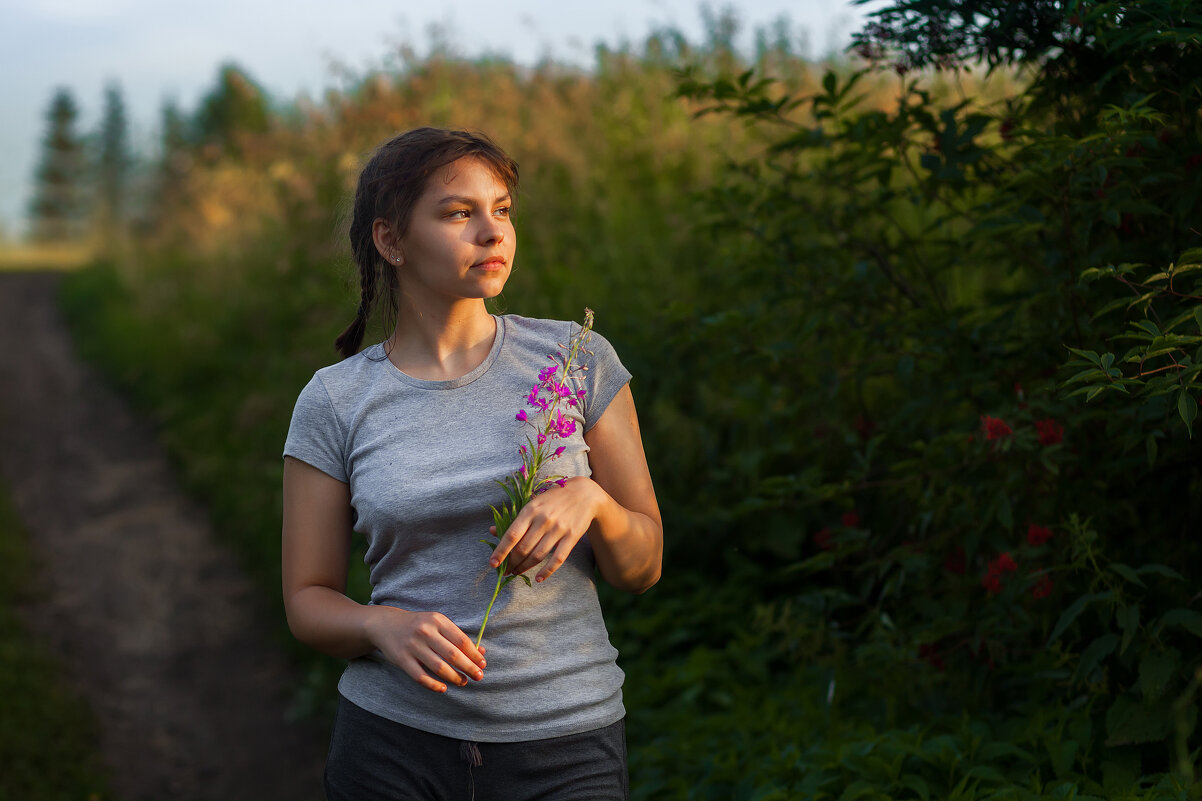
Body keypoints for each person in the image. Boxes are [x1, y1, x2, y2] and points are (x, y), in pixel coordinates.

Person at [281, 127, 663, 801]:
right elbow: (307, 601)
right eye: (460, 213)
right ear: (390, 240)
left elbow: (644, 566)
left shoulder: (577, 360)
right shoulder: (335, 399)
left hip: (567, 744)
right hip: (392, 744)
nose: (493, 232)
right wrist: (377, 622)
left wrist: (595, 503)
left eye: (502, 209)